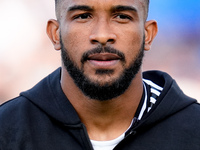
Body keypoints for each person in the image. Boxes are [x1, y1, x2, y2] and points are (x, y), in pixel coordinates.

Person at [0, 0, 200, 149]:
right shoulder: (7, 130)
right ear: (55, 33)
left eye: (122, 16)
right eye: (83, 16)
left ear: (148, 34)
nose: (103, 35)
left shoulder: (194, 130)